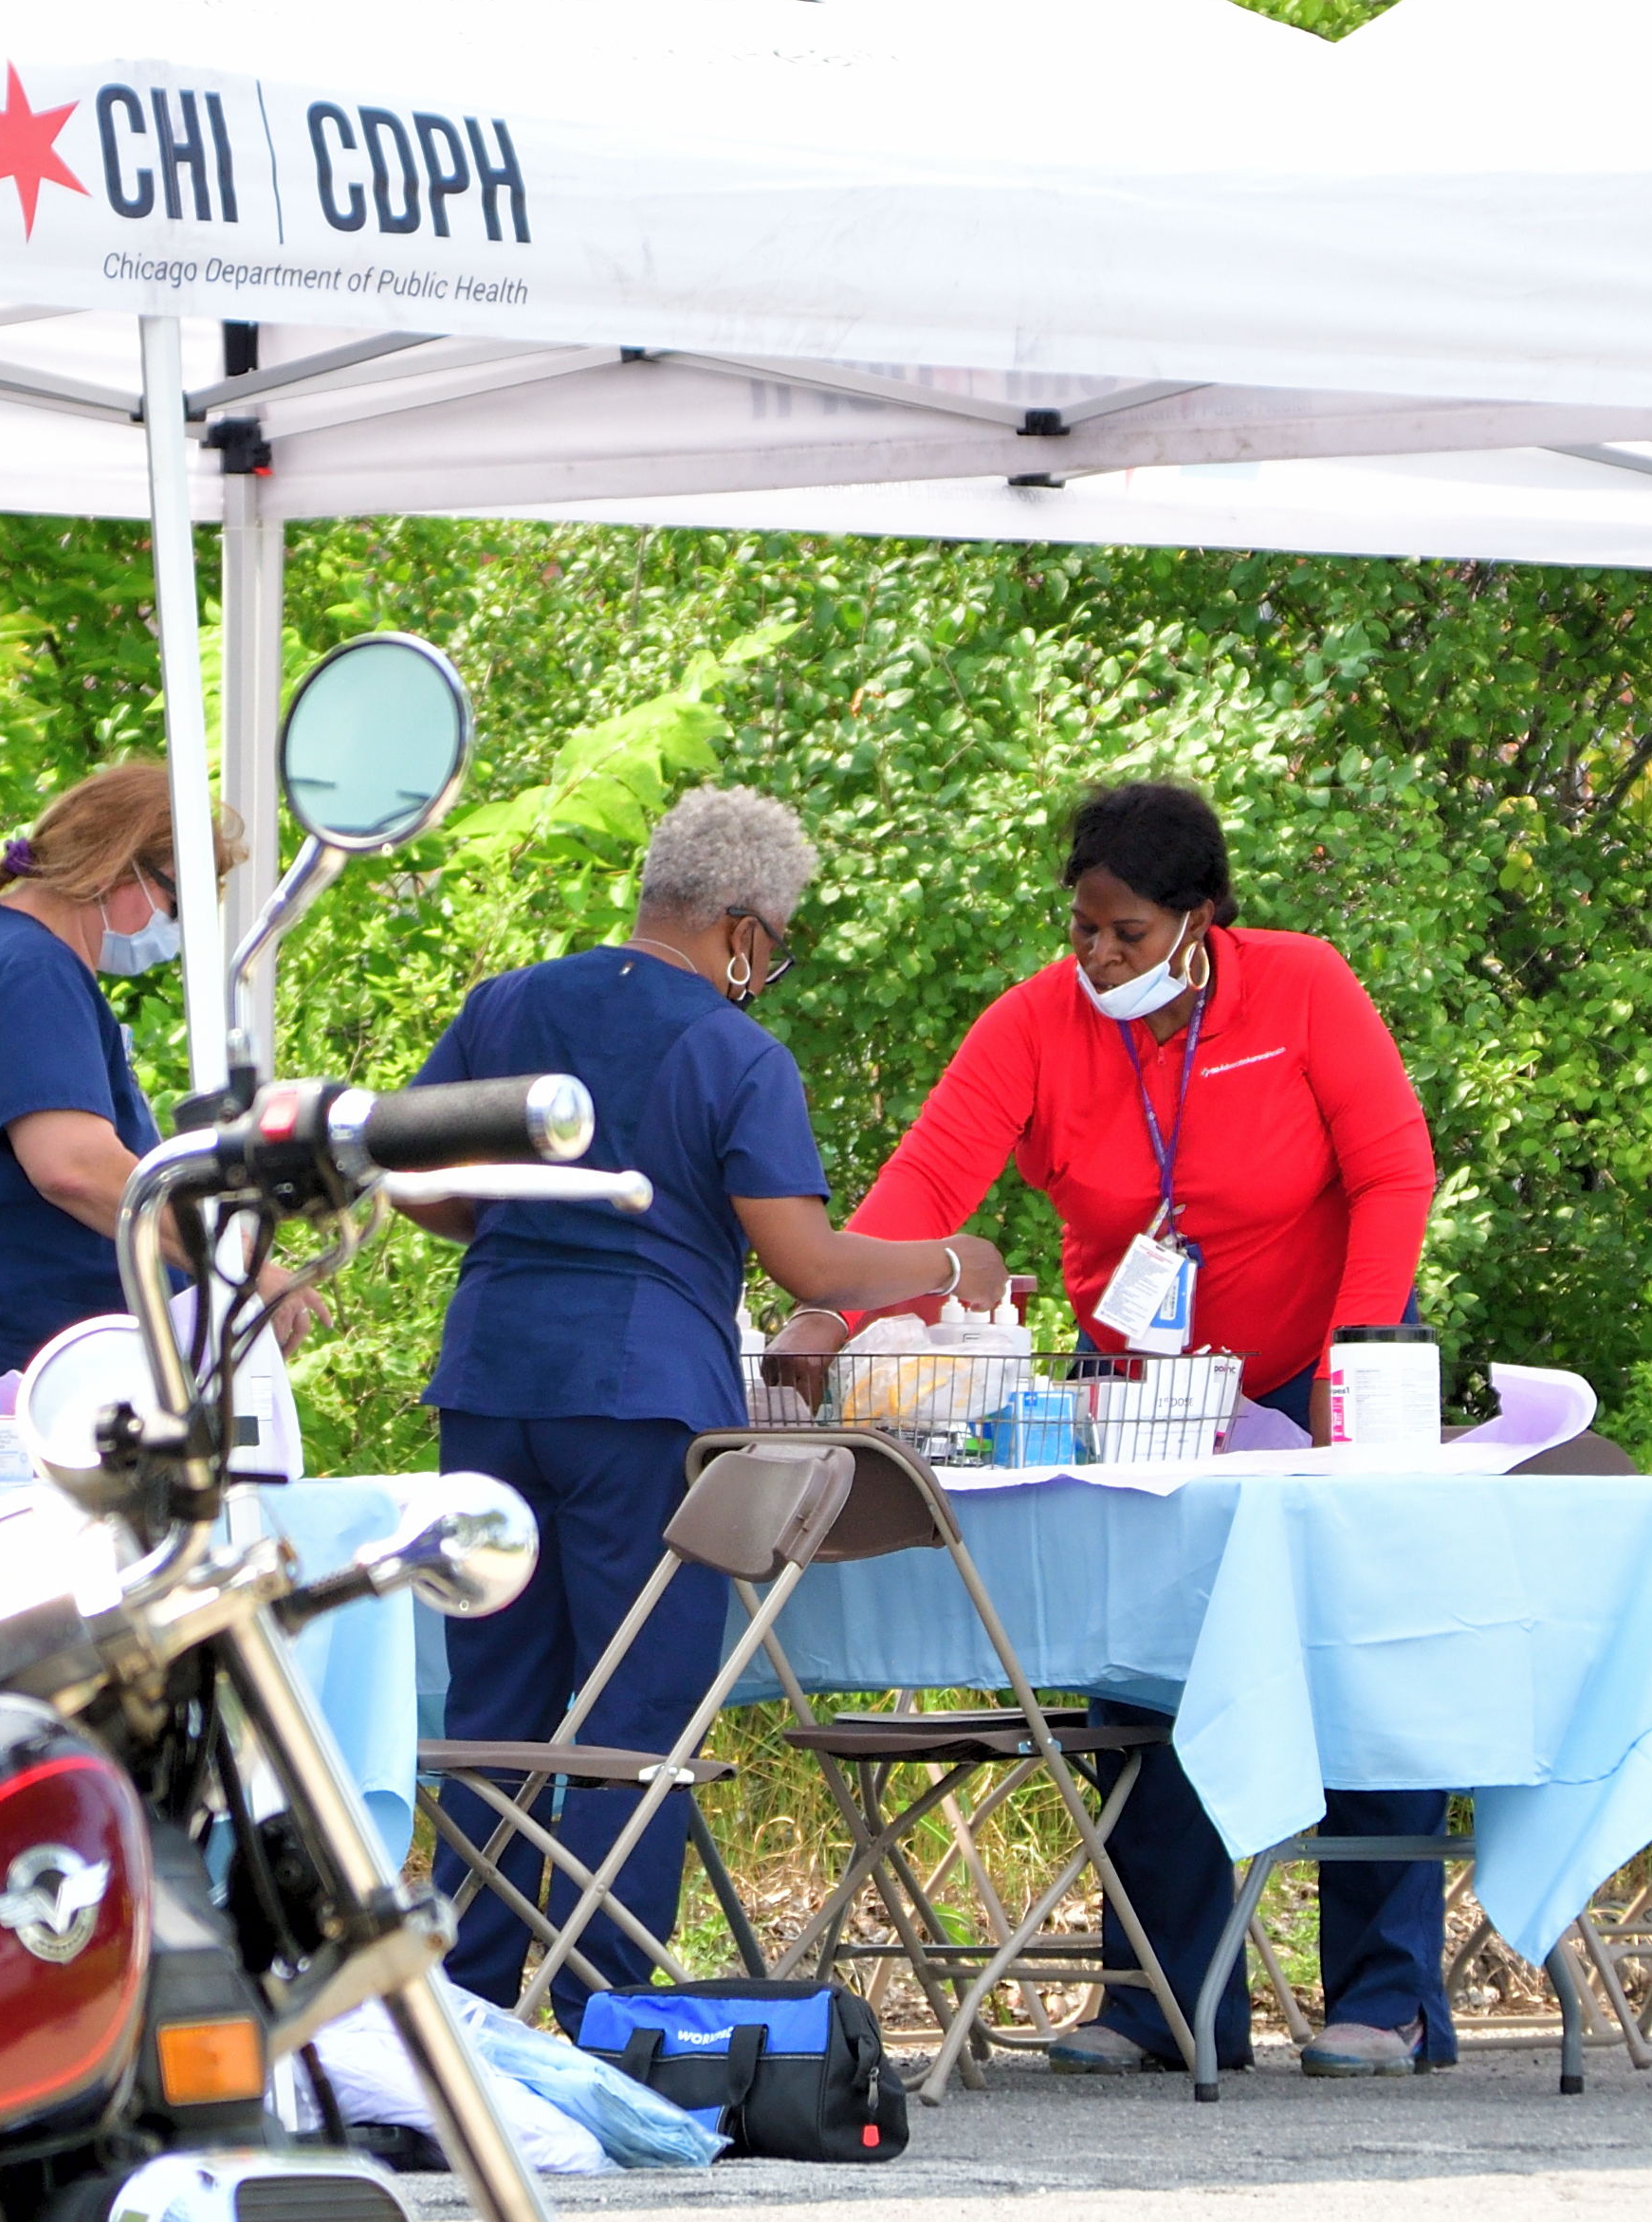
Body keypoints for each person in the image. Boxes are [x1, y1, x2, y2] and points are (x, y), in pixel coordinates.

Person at [845, 778, 1442, 2079]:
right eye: (1083, 931)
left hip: (1308, 1373)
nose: (1097, 956)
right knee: (1147, 1668)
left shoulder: (1301, 988)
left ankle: (1384, 1993)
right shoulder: (1038, 1024)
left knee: (1352, 1651)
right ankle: (1159, 1998)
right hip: (1146, 1391)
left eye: (1124, 933)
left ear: (1200, 917)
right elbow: (927, 1186)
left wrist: (1352, 1367)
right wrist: (836, 1315)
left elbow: (1395, 1168)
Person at [400, 786, 1008, 2021]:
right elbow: (811, 1265)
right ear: (739, 926)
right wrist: (951, 1262)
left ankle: (465, 2002)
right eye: (771, 944)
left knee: (495, 1704)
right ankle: (598, 2008)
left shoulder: (505, 1006)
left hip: (490, 1380)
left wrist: (515, 1222)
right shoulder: (736, 1053)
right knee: (636, 1709)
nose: (766, 968)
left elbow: (409, 1176)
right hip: (635, 1401)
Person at [0, 762, 246, 1405]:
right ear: (115, 868)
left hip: (3, 1365)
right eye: (177, 906)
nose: (175, 931)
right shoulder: (28, 970)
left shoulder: (1, 952)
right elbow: (74, 1167)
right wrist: (232, 1269)